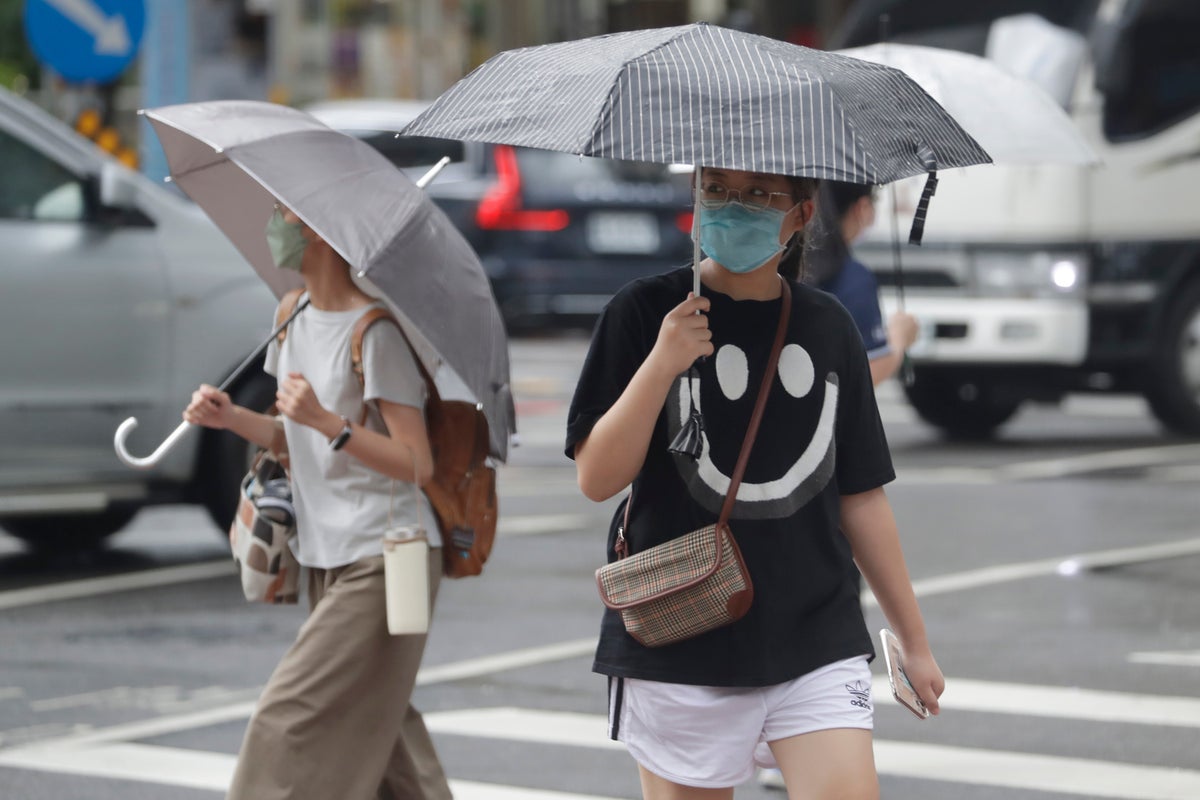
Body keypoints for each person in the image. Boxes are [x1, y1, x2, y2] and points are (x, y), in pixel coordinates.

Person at [566, 167, 944, 799]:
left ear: (800, 214)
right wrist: (663, 362)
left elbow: (862, 497)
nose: (733, 208)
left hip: (817, 635)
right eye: (716, 189)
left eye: (759, 195)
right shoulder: (641, 312)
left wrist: (916, 641)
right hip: (682, 632)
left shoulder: (828, 327)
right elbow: (597, 478)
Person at [183, 202, 452, 800]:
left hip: (386, 558)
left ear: (322, 235)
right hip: (326, 552)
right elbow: (290, 438)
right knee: (384, 727)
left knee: (289, 716)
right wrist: (233, 420)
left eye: (284, 215)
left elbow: (417, 462)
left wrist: (328, 422)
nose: (274, 226)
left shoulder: (375, 333)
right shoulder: (291, 314)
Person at [809, 180, 919, 388]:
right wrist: (898, 339)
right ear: (862, 208)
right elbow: (866, 372)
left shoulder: (781, 265)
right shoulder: (853, 279)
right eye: (874, 200)